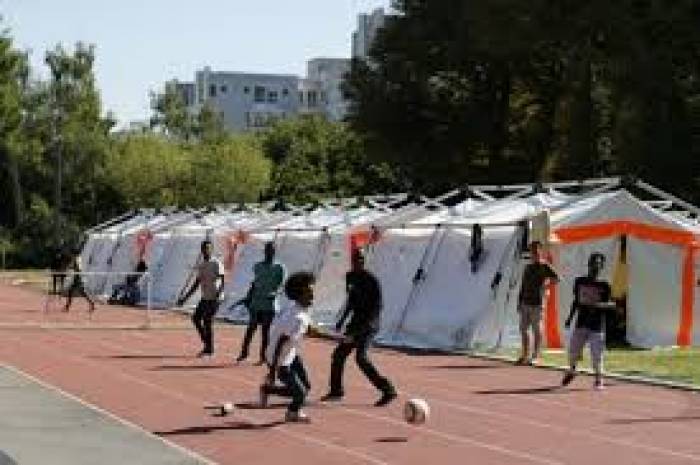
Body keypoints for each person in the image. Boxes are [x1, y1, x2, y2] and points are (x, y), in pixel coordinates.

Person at [321, 248, 397, 407]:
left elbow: (378, 307)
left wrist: (363, 328)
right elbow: (351, 300)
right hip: (355, 323)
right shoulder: (350, 276)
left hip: (369, 324)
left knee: (361, 358)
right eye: (356, 259)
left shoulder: (372, 280)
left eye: (361, 259)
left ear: (365, 261)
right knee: (338, 355)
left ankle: (388, 390)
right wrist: (341, 320)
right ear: (352, 260)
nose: (359, 262)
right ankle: (336, 391)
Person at [259, 271, 315, 423]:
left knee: (306, 387)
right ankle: (291, 412)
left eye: (313, 291)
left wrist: (341, 338)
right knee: (300, 393)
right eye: (309, 293)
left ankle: (269, 390)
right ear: (299, 295)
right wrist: (272, 371)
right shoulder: (297, 318)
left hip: (290, 354)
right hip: (280, 360)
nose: (313, 296)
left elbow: (311, 331)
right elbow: (281, 341)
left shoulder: (297, 307)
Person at [562, 253, 614, 390]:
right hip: (581, 322)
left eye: (598, 264)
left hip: (597, 326)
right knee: (573, 351)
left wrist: (597, 305)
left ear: (602, 266)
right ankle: (572, 370)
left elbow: (611, 305)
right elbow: (576, 301)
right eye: (593, 263)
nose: (595, 266)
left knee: (597, 354)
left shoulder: (605, 285)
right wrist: (569, 318)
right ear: (588, 264)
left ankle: (599, 379)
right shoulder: (579, 281)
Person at [237, 242, 286, 364]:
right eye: (267, 250)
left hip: (269, 304)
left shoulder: (279, 268)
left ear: (275, 251)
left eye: (272, 250)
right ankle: (244, 353)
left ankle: (263, 357)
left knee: (265, 331)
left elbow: (281, 286)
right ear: (264, 251)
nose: (269, 252)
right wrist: (248, 297)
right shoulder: (257, 266)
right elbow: (254, 283)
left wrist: (275, 293)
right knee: (251, 328)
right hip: (256, 302)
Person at [177, 240, 224, 357]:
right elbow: (196, 284)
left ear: (212, 249)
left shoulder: (216, 263)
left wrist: (219, 292)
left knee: (207, 321)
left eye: (208, 248)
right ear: (202, 250)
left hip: (215, 298)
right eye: (204, 248)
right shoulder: (202, 265)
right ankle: (207, 344)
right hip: (205, 297)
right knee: (196, 318)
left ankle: (210, 349)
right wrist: (184, 298)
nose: (206, 250)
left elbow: (223, 280)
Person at [516, 241, 559, 365]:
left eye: (535, 250)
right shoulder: (527, 267)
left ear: (540, 251)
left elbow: (557, 278)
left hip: (538, 303)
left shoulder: (544, 266)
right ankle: (525, 355)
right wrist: (519, 301)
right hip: (525, 302)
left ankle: (535, 356)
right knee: (523, 329)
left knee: (537, 329)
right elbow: (523, 285)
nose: (533, 253)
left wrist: (546, 286)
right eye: (531, 250)